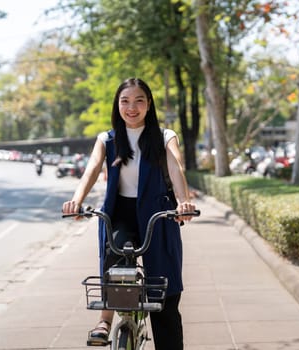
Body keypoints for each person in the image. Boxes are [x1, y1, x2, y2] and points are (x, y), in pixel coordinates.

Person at [62, 77, 196, 349]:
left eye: (139, 101)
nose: (131, 107)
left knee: (164, 291)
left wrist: (183, 202)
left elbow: (175, 167)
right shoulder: (107, 139)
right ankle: (105, 321)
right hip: (120, 211)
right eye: (125, 101)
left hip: (158, 212)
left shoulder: (164, 136)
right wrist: (76, 200)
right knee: (117, 268)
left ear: (149, 105)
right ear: (117, 105)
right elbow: (91, 169)